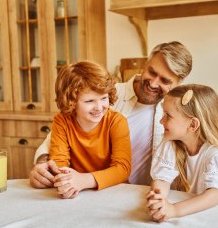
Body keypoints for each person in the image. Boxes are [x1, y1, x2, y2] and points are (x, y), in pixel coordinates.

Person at [29, 41, 193, 188]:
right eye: (152, 72)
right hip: (91, 190)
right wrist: (44, 165)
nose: (153, 83)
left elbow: (201, 150)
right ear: (146, 64)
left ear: (178, 83)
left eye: (165, 81)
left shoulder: (180, 114)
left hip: (146, 195)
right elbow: (55, 140)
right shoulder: (108, 92)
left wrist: (216, 182)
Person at [146, 84, 218, 222]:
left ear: (193, 125)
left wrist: (174, 210)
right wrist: (158, 199)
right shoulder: (170, 143)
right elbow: (162, 179)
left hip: (215, 217)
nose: (161, 120)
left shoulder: (216, 155)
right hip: (190, 214)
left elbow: (212, 196)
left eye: (167, 116)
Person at [46, 61, 131, 199]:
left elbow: (122, 169)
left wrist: (83, 181)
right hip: (78, 193)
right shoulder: (62, 121)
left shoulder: (117, 121)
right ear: (71, 102)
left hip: (113, 191)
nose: (99, 107)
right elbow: (59, 163)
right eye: (89, 101)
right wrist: (64, 181)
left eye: (104, 98)